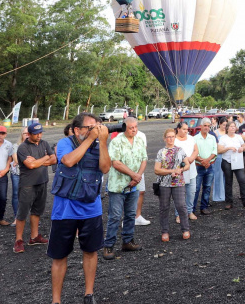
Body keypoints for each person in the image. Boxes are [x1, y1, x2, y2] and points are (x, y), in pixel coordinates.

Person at [48, 113, 111, 304]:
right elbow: (68, 161)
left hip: (91, 208)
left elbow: (105, 168)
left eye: (97, 126)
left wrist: (103, 142)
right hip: (65, 209)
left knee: (91, 251)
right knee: (59, 255)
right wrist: (90, 139)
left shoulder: (99, 144)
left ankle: (89, 294)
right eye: (90, 127)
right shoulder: (65, 143)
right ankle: (56, 300)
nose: (95, 130)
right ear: (77, 130)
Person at [102, 118, 145, 260]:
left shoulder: (139, 140)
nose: (134, 129)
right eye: (131, 127)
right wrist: (134, 175)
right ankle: (109, 245)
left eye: (136, 127)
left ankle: (128, 241)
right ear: (124, 127)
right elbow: (115, 163)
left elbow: (144, 159)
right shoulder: (116, 142)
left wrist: (137, 177)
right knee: (115, 216)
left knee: (131, 214)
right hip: (118, 185)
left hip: (134, 185)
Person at [14, 123, 56, 253]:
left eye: (40, 133)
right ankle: (18, 240)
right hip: (28, 184)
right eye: (36, 134)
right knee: (22, 212)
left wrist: (38, 161)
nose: (39, 136)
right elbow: (30, 166)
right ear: (29, 134)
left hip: (42, 181)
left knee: (37, 210)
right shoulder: (23, 147)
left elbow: (54, 159)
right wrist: (45, 157)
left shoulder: (44, 143)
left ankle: (34, 236)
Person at [155, 128, 190, 242]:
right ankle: (165, 231)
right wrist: (171, 171)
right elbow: (156, 170)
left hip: (178, 182)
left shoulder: (180, 150)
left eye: (172, 136)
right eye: (168, 137)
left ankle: (185, 229)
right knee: (164, 207)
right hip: (164, 183)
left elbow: (187, 165)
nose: (170, 139)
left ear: (175, 137)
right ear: (165, 138)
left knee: (181, 206)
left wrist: (181, 170)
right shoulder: (161, 152)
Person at [218, 121, 245, 209]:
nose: (233, 128)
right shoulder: (223, 138)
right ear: (227, 128)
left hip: (237, 161)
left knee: (242, 180)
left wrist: (242, 148)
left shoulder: (238, 137)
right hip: (227, 161)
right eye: (231, 126)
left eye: (234, 126)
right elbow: (219, 150)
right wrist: (228, 148)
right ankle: (229, 202)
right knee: (228, 181)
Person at [174, 122, 199, 222]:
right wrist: (184, 161)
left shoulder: (191, 138)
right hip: (179, 170)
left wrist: (191, 158)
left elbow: (196, 150)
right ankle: (178, 214)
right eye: (184, 129)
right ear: (178, 129)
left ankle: (189, 211)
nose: (186, 131)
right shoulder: (174, 140)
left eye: (187, 129)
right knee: (179, 194)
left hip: (191, 169)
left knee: (191, 192)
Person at [193, 119, 217, 216]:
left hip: (210, 166)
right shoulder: (195, 138)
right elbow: (193, 152)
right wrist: (202, 161)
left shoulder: (212, 138)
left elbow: (215, 151)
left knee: (207, 187)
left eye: (208, 126)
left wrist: (207, 161)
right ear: (201, 126)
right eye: (205, 125)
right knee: (196, 188)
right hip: (198, 166)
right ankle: (192, 209)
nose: (207, 127)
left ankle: (204, 207)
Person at [10, 127, 29, 221]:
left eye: (29, 133)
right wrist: (32, 161)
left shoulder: (37, 145)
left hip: (31, 174)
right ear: (22, 135)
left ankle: (30, 217)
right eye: (25, 133)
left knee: (30, 196)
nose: (27, 135)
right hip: (17, 173)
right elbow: (17, 160)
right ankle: (17, 217)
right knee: (16, 194)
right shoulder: (15, 146)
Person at [210, 117, 226, 206]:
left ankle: (225, 194)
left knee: (226, 176)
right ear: (220, 124)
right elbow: (215, 146)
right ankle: (218, 195)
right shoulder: (216, 133)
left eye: (226, 125)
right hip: (219, 156)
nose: (225, 127)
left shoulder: (227, 132)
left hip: (227, 156)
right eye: (223, 125)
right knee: (218, 175)